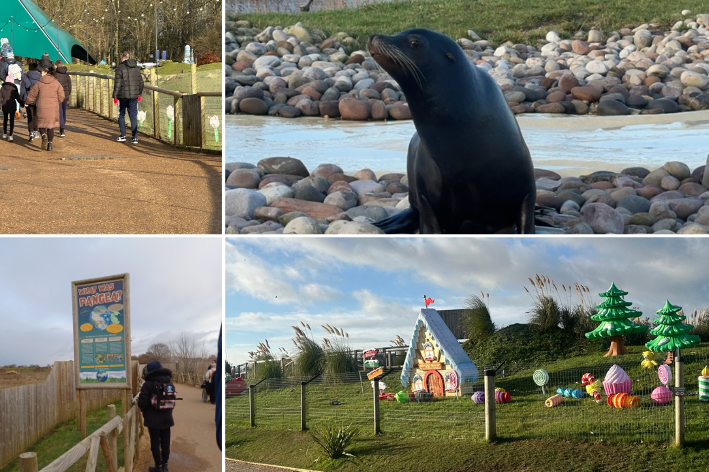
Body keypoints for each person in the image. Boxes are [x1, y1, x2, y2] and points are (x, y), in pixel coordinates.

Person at [138, 361, 174, 472]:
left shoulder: (147, 384)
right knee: (165, 443)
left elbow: (142, 403)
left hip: (152, 419)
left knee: (155, 443)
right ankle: (165, 466)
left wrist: (145, 409)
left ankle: (158, 467)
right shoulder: (169, 383)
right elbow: (171, 401)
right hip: (167, 417)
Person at [26, 66, 65, 151]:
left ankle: (43, 136)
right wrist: (56, 102)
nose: (41, 73)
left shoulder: (39, 83)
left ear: (45, 72)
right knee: (50, 126)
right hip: (53, 107)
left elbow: (32, 94)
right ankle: (50, 144)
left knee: (41, 123)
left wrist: (27, 102)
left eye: (42, 72)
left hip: (41, 105)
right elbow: (62, 96)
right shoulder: (56, 83)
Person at [112, 51, 144, 144]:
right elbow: (141, 83)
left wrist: (115, 96)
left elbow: (117, 84)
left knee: (121, 114)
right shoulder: (137, 68)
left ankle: (123, 135)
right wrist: (139, 94)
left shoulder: (120, 68)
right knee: (133, 115)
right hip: (134, 96)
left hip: (123, 96)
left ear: (122, 58)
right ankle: (135, 137)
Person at [20, 63, 41, 141]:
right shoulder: (40, 77)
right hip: (38, 99)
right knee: (36, 116)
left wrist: (23, 101)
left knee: (30, 116)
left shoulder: (25, 78)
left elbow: (22, 91)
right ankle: (36, 131)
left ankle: (31, 132)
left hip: (28, 100)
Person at [1, 74, 24, 141]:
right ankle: (11, 135)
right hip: (12, 104)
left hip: (4, 103)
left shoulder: (2, 87)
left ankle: (4, 133)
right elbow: (18, 98)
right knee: (12, 120)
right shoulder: (14, 88)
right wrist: (22, 104)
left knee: (5, 119)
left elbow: (0, 97)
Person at [55, 60, 72, 137]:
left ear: (56, 66)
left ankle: (61, 127)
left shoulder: (55, 75)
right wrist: (68, 93)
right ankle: (63, 127)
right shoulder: (67, 75)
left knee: (60, 111)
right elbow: (70, 86)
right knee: (63, 110)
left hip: (58, 95)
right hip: (65, 95)